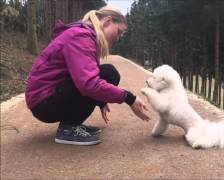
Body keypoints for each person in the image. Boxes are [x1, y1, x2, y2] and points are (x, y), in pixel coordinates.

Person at [25, 6, 150, 146]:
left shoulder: (83, 34)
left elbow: (86, 74)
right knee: (109, 73)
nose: (118, 37)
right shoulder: (81, 36)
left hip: (45, 99)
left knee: (107, 73)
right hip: (44, 102)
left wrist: (101, 100)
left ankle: (71, 125)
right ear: (108, 21)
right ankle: (68, 129)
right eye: (118, 31)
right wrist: (130, 98)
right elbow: (89, 83)